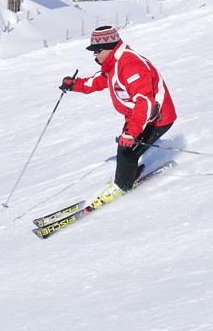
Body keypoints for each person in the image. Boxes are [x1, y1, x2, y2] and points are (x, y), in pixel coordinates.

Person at [59, 25, 177, 208]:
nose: (94, 55)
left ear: (110, 47)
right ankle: (126, 176)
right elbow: (99, 81)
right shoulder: (113, 63)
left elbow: (144, 102)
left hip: (156, 118)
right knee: (125, 149)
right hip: (137, 117)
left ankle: (122, 186)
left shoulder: (130, 65)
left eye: (97, 50)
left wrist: (131, 133)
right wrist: (74, 85)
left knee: (126, 151)